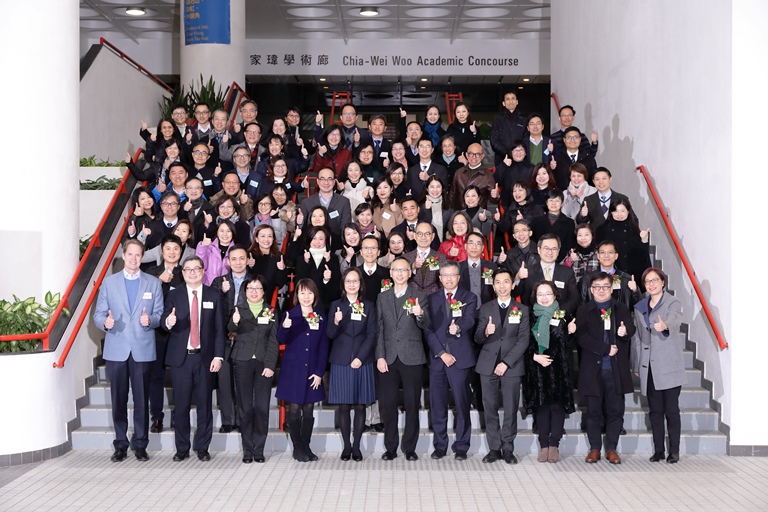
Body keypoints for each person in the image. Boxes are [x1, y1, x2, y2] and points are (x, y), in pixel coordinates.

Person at [93, 240, 164, 462]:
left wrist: (150, 320)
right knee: (118, 399)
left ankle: (140, 444)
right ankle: (120, 444)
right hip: (117, 348)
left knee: (142, 398)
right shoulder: (109, 283)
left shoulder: (153, 283)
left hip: (142, 348)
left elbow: (159, 314)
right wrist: (105, 322)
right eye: (130, 254)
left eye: (138, 255)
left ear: (142, 257)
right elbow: (98, 315)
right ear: (123, 255)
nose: (134, 259)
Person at [161, 256, 226, 462]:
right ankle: (182, 448)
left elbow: (219, 329)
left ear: (203, 271)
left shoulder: (214, 295)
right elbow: (163, 320)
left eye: (196, 269)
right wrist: (168, 321)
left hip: (205, 359)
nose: (192, 272)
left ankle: (202, 447)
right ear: (182, 273)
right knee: (181, 406)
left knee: (205, 405)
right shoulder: (174, 295)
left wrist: (218, 356)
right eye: (187, 269)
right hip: (181, 359)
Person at [576, 272, 636, 464]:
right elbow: (581, 337)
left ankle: (612, 448)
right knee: (593, 411)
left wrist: (625, 331)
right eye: (597, 287)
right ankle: (594, 449)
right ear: (591, 290)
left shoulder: (621, 308)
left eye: (605, 287)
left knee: (615, 411)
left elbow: (631, 329)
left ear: (611, 289)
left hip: (615, 369)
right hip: (592, 370)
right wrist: (604, 349)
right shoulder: (584, 310)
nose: (601, 290)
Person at [376, 257, 431, 461]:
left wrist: (420, 314)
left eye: (403, 270)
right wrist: (380, 356)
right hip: (388, 357)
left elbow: (426, 324)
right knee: (388, 404)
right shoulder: (382, 297)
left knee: (412, 403)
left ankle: (410, 447)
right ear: (390, 273)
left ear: (410, 273)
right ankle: (390, 447)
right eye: (396, 270)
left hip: (412, 356)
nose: (399, 273)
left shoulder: (419, 296)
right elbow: (379, 328)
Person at [474, 268, 530, 464]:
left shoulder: (522, 309)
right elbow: (477, 337)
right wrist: (485, 331)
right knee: (489, 407)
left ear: (513, 285)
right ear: (493, 286)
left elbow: (523, 340)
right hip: (487, 365)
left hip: (511, 366)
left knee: (510, 407)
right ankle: (494, 448)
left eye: (506, 281)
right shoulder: (485, 308)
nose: (502, 286)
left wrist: (506, 363)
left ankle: (508, 448)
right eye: (498, 282)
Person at [423, 261, 477, 460]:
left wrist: (459, 327)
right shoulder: (431, 299)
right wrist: (441, 353)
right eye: (445, 275)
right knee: (438, 404)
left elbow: (470, 319)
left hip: (459, 358)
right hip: (438, 360)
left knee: (462, 404)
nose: (448, 279)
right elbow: (427, 329)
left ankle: (461, 446)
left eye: (452, 275)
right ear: (440, 278)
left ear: (458, 277)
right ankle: (440, 445)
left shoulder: (468, 297)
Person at [631, 268, 684, 464]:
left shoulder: (672, 302)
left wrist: (665, 325)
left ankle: (674, 451)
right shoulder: (640, 307)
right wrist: (637, 363)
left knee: (671, 410)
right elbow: (637, 338)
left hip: (669, 365)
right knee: (655, 412)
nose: (651, 284)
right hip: (649, 367)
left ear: (663, 282)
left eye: (655, 280)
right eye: (647, 281)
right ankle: (659, 450)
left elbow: (675, 318)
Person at [327, 268, 377, 461]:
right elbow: (330, 334)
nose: (351, 284)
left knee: (360, 405)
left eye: (355, 281)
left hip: (362, 361)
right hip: (341, 360)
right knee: (344, 406)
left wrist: (360, 357)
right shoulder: (336, 305)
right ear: (343, 284)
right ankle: (346, 446)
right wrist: (335, 321)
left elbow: (372, 335)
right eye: (348, 281)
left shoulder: (369, 306)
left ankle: (357, 446)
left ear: (360, 284)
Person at [276, 279, 329, 462]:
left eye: (310, 293)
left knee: (308, 409)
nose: (306, 297)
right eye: (302, 293)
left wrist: (320, 372)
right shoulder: (290, 315)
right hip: (293, 369)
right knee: (294, 409)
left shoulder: (320, 316)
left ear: (315, 295)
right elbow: (281, 338)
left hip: (312, 370)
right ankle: (297, 447)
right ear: (297, 295)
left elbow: (323, 346)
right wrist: (285, 327)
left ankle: (306, 446)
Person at [228, 275, 279, 464]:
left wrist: (271, 365)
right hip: (242, 360)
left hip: (264, 363)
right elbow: (230, 328)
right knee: (245, 407)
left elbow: (274, 340)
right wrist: (234, 321)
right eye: (250, 288)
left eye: (258, 288)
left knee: (261, 407)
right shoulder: (238, 309)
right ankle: (247, 451)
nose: (254, 291)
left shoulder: (271, 310)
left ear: (264, 291)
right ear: (245, 291)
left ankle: (259, 450)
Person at [524, 280, 576, 463]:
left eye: (548, 294)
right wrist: (534, 356)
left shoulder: (564, 316)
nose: (544, 297)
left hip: (559, 370)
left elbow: (570, 344)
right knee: (542, 408)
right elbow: (523, 343)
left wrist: (571, 332)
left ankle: (554, 445)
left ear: (555, 296)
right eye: (540, 294)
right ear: (535, 297)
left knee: (557, 407)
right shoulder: (529, 316)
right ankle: (544, 445)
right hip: (537, 370)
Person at [144, 235, 186, 433]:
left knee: (180, 377)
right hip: (157, 333)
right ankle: (157, 417)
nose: (172, 252)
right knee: (156, 376)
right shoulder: (151, 273)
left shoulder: (185, 272)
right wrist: (158, 281)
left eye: (176, 248)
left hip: (179, 332)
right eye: (168, 248)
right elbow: (144, 300)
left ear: (181, 251)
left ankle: (179, 414)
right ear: (162, 251)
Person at [210, 245, 252, 434]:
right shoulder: (219, 282)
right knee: (224, 380)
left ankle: (243, 420)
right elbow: (212, 309)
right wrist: (221, 292)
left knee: (243, 381)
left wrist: (238, 328)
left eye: (241, 258)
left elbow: (258, 309)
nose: (238, 262)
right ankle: (228, 420)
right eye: (233, 259)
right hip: (224, 338)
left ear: (247, 260)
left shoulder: (254, 282)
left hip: (246, 338)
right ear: (228, 261)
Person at [516, 233, 580, 315]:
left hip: (560, 318)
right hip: (534, 318)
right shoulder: (527, 271)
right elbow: (517, 294)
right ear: (539, 250)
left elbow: (574, 299)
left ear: (558, 251)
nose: (550, 252)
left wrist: (558, 313)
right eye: (546, 248)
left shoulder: (567, 272)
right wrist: (517, 278)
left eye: (554, 249)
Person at [594, 198, 651, 284]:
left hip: (632, 274)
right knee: (614, 290)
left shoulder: (634, 230)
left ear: (628, 212)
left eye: (622, 211)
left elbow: (642, 256)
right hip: (612, 272)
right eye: (616, 211)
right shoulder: (602, 230)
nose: (619, 214)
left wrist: (644, 240)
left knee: (629, 291)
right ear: (611, 212)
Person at [579, 240, 642, 309]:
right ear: (598, 256)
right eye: (602, 252)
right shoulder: (587, 279)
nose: (606, 256)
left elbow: (639, 308)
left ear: (616, 256)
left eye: (610, 252)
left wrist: (635, 291)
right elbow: (581, 306)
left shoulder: (625, 279)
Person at [293, 226, 342, 312]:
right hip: (307, 303)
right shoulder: (302, 258)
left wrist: (326, 279)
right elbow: (300, 282)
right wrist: (306, 262)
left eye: (321, 239)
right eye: (314, 238)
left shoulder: (333, 258)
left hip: (327, 302)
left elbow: (336, 285)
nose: (317, 242)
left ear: (326, 240)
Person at [299, 167, 352, 237]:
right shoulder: (307, 203)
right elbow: (303, 229)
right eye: (322, 179)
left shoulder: (344, 202)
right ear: (317, 181)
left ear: (334, 181)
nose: (326, 182)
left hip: (336, 242)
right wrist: (300, 222)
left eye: (329, 179)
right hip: (314, 242)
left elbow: (345, 228)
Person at [449, 143, 499, 211]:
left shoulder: (487, 175)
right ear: (467, 155)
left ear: (482, 156)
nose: (474, 157)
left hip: (478, 215)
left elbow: (493, 200)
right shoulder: (459, 172)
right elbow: (452, 195)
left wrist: (496, 196)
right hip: (460, 214)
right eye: (471, 154)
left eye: (477, 154)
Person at [530, 189, 576, 261]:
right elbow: (533, 243)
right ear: (547, 202)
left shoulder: (569, 223)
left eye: (557, 201)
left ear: (562, 203)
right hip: (539, 260)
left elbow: (569, 245)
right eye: (551, 200)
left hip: (561, 261)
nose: (553, 203)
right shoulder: (537, 221)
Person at [403, 221, 448, 295]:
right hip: (411, 297)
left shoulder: (441, 258)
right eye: (420, 234)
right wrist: (413, 266)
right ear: (415, 235)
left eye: (427, 234)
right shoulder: (405, 258)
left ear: (432, 236)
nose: (423, 237)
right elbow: (401, 279)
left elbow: (443, 283)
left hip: (433, 297)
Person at [459, 231, 497, 306]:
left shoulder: (492, 267)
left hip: (486, 308)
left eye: (478, 244)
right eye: (471, 243)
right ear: (465, 246)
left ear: (482, 248)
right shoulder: (458, 267)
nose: (474, 247)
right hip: (464, 308)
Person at [491, 90, 526, 164]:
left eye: (513, 98)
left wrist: (517, 152)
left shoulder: (523, 121)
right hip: (502, 160)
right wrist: (508, 152)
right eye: (508, 99)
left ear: (517, 102)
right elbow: (494, 141)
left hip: (520, 159)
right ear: (503, 103)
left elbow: (526, 139)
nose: (511, 101)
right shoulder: (497, 121)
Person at [195, 219, 234, 286]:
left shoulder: (236, 251)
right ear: (217, 232)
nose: (225, 234)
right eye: (222, 231)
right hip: (208, 287)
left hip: (228, 287)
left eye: (228, 231)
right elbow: (199, 265)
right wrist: (203, 247)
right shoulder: (209, 248)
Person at [421, 175, 453, 243]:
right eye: (432, 187)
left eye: (438, 187)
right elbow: (422, 227)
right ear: (427, 189)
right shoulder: (421, 206)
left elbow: (451, 229)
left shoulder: (449, 206)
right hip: (426, 244)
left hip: (445, 244)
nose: (435, 190)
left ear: (442, 188)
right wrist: (426, 210)